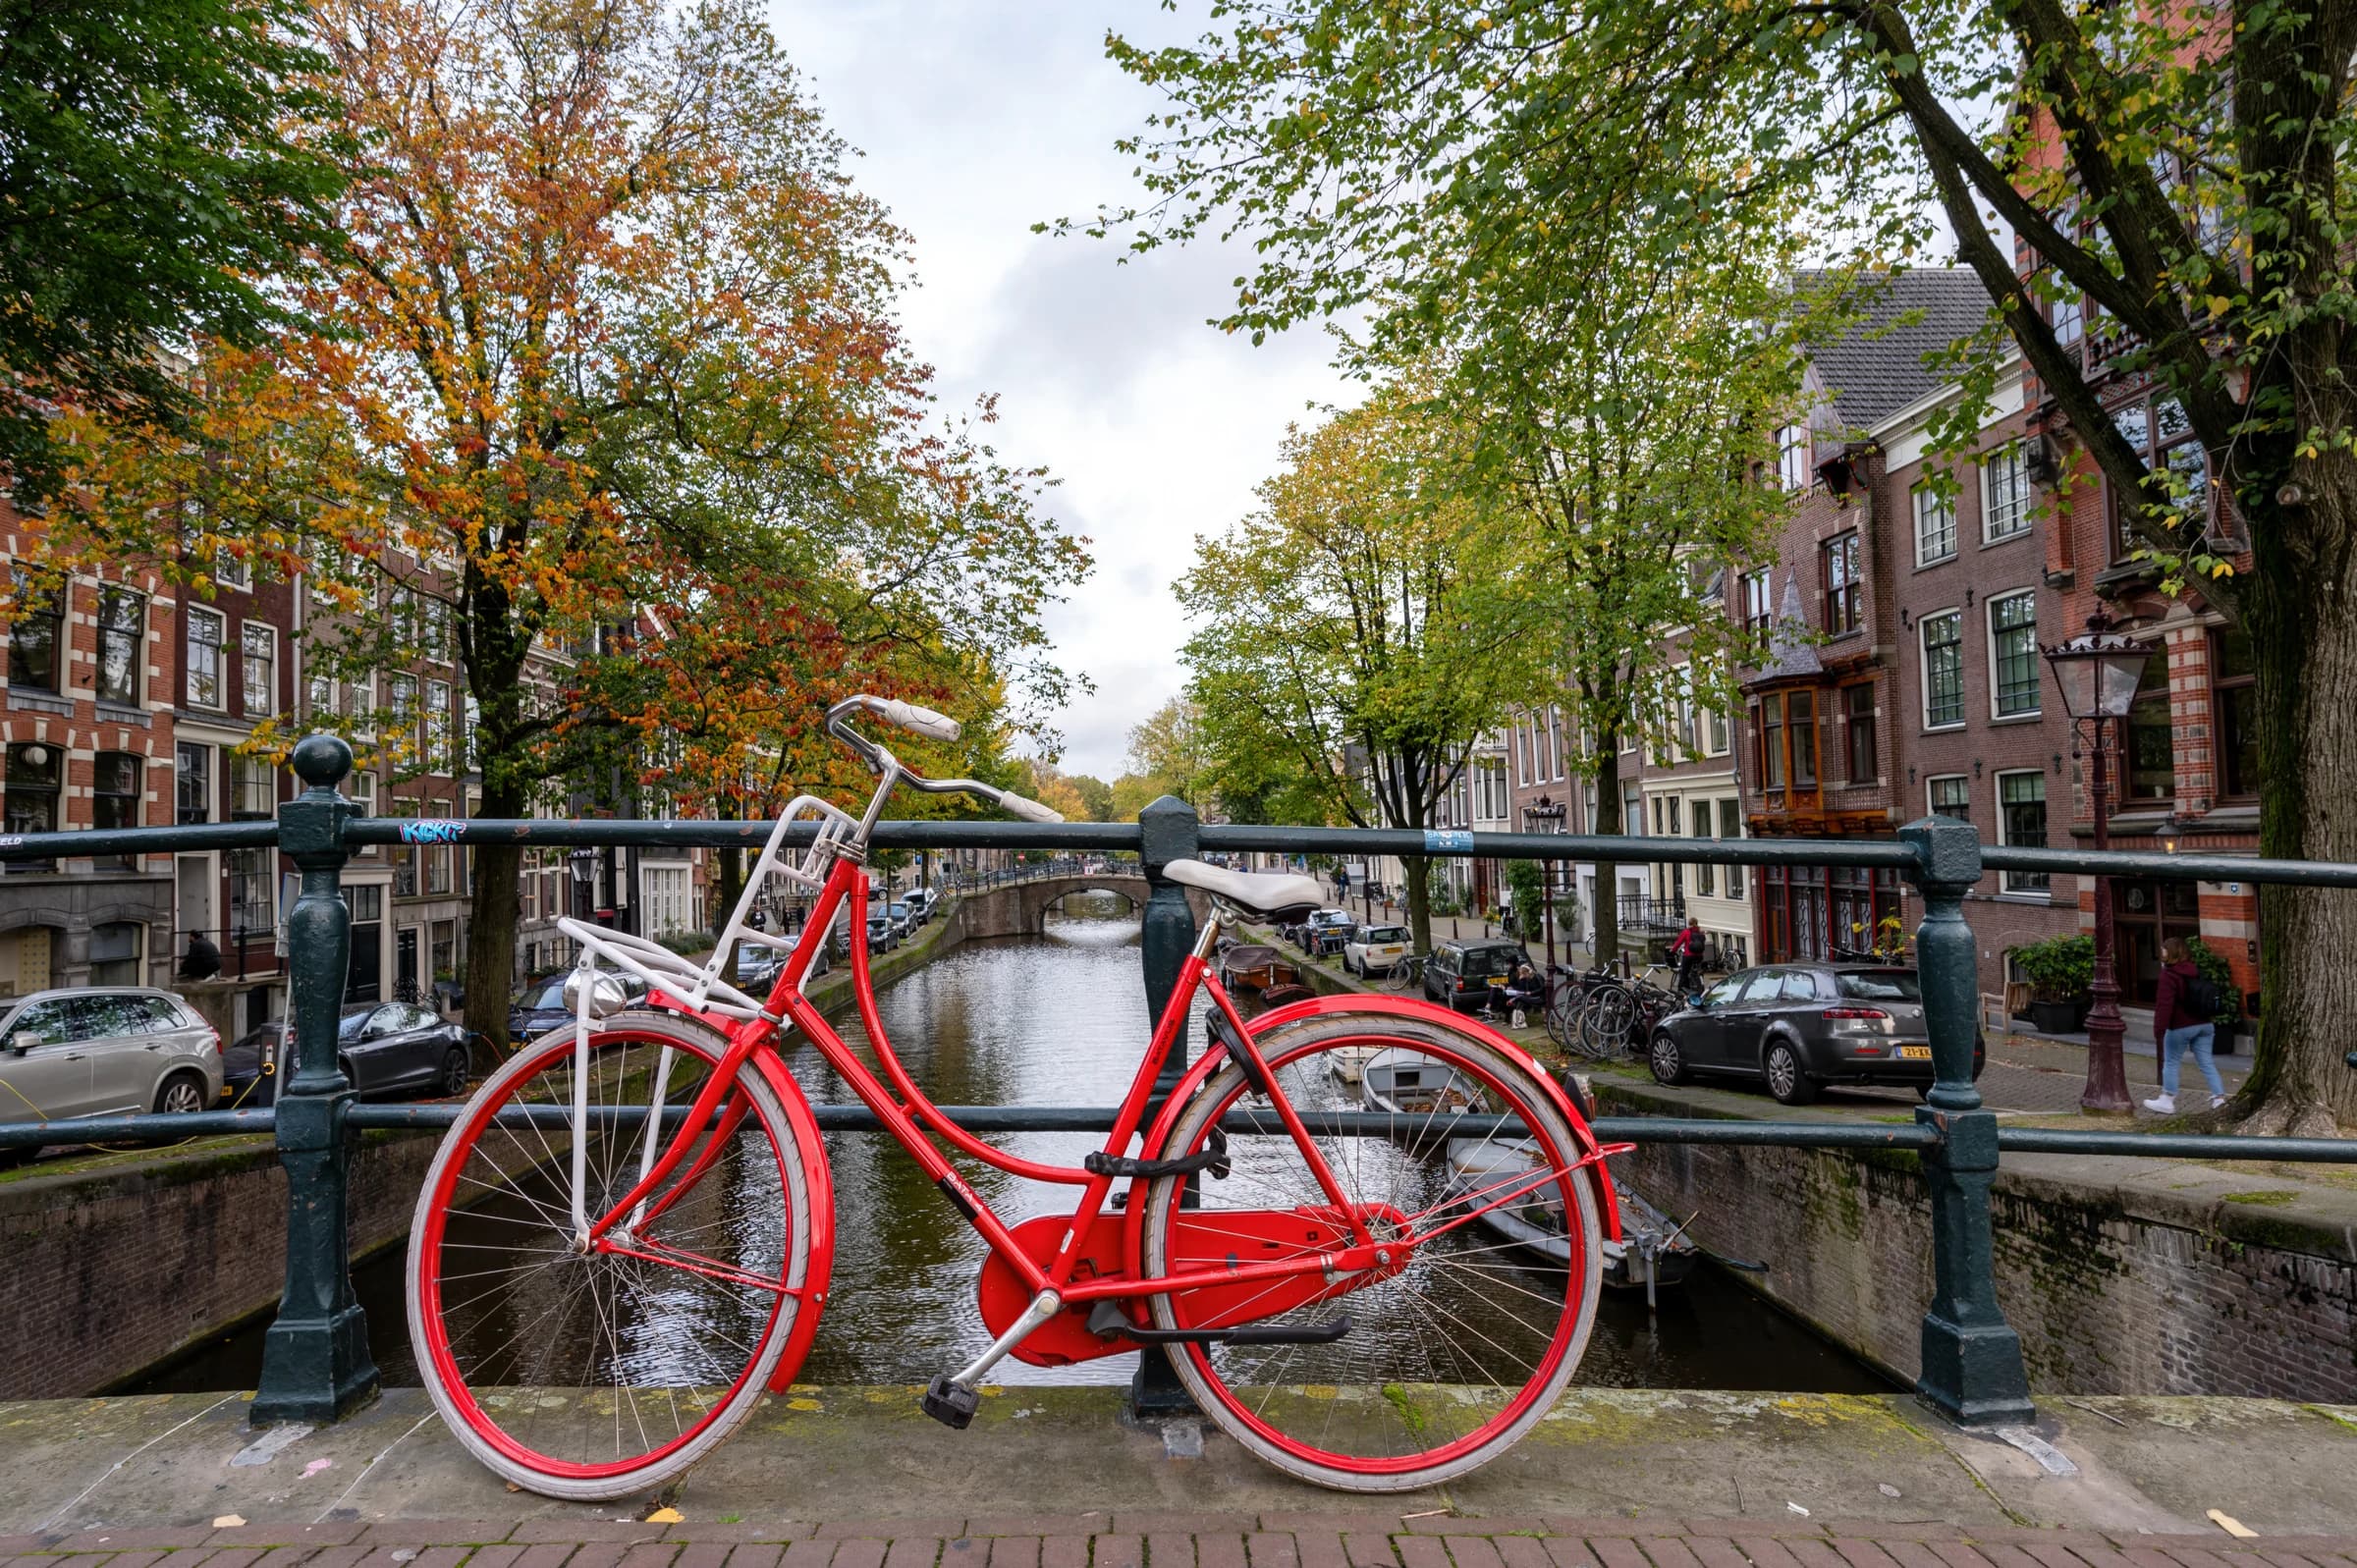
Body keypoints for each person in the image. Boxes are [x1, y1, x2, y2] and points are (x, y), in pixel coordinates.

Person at [2143, 937, 2225, 1114]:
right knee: (2207, 1063)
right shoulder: (2195, 970)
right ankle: (2219, 1099)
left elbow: (2164, 1004)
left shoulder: (2169, 975)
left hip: (2180, 1025)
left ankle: (2167, 1099)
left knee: (2171, 1061)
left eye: (2164, 949)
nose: (2161, 952)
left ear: (2171, 952)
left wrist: (2159, 1029)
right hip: (2204, 1024)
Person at [1669, 916, 1705, 999]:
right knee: (1698, 971)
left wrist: (1673, 950)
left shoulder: (1686, 932)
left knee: (1684, 973)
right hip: (1699, 956)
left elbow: (1678, 942)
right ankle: (1700, 983)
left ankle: (1682, 990)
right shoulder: (1700, 932)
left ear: (1689, 924)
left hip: (1689, 956)